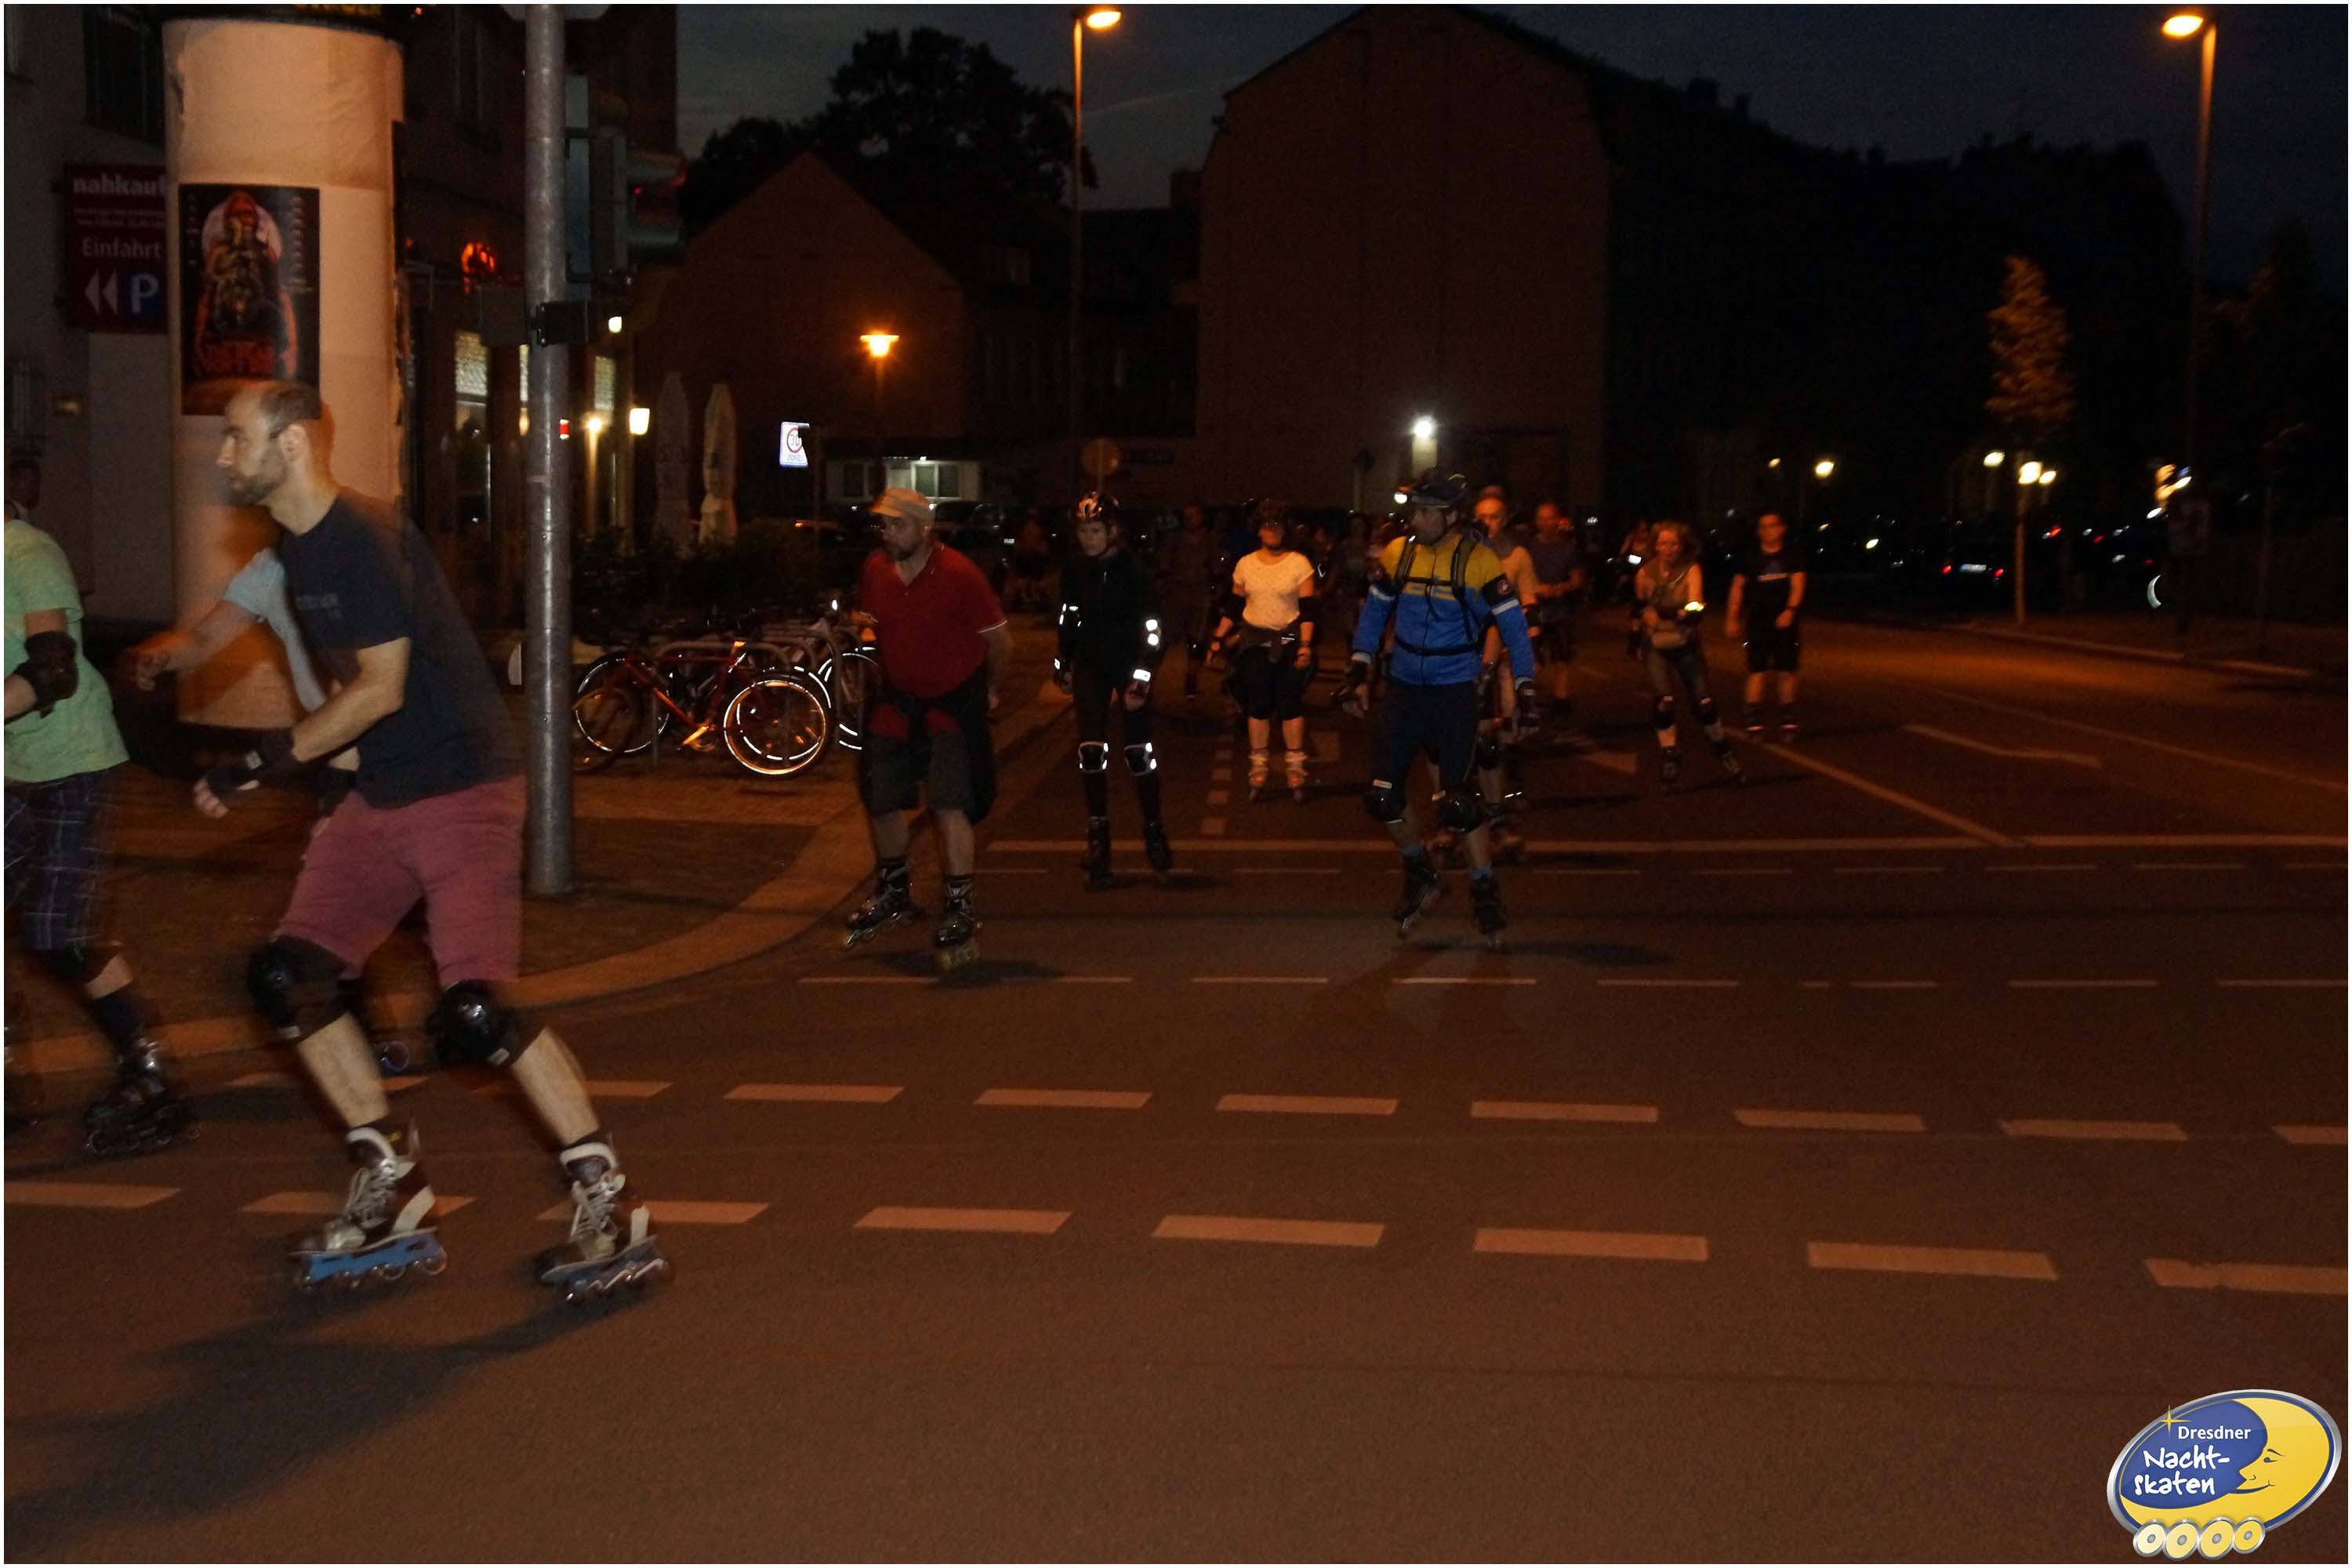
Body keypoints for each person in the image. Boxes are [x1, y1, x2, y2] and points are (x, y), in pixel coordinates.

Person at [201, 381, 665, 1301]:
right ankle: (391, 1180)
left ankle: (607, 1197)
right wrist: (334, 796)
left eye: (235, 436)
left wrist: (264, 761)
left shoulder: (363, 537)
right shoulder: (295, 548)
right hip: (380, 790)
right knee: (287, 975)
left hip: (463, 789)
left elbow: (381, 688)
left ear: (291, 444)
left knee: (475, 1013)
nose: (222, 454)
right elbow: (359, 702)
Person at [132, 550, 416, 1073]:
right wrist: (163, 656)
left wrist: (334, 794)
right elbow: (205, 639)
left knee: (360, 894)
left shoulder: (348, 556)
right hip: (337, 747)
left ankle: (418, 1020)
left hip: (395, 744)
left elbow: (364, 684)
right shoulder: (269, 571)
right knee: (342, 899)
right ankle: (372, 1034)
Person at [5, 480, 194, 1154]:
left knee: (58, 935)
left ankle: (148, 1065)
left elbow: (52, 670)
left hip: (74, 767)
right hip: (11, 769)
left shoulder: (26, 554)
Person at [1335, 471, 1537, 949]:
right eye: (1415, 510)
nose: (1417, 519)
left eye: (1426, 512)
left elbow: (1512, 626)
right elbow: (1375, 612)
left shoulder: (1479, 562)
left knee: (1458, 803)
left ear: (1449, 517)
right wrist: (1359, 666)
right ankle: (1420, 872)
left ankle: (1484, 890)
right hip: (1405, 688)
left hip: (1453, 691)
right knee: (1382, 797)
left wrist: (1525, 687)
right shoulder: (1398, 553)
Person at [842, 487, 1012, 970]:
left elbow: (1000, 642)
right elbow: (874, 625)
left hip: (951, 702)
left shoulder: (959, 573)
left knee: (949, 801)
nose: (889, 533)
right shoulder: (876, 570)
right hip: (899, 698)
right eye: (884, 525)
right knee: (879, 792)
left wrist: (990, 688)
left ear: (924, 527)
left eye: (898, 525)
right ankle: (894, 888)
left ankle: (960, 903)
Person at [1056, 497, 1172, 888]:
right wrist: (1063, 661)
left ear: (1112, 532)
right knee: (1091, 751)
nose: (1089, 539)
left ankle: (1154, 831)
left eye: (1096, 531)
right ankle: (1098, 841)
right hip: (1091, 665)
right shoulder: (1074, 569)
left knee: (1138, 752)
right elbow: (1069, 616)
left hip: (1129, 663)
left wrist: (1142, 677)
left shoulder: (1134, 571)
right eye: (1083, 531)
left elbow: (1154, 630)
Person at [1207, 499, 1318, 802]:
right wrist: (1218, 637)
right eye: (1266, 526)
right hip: (1255, 640)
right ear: (1258, 530)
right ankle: (1258, 764)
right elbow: (1234, 606)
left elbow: (1308, 610)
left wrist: (1306, 645)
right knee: (1257, 703)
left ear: (1285, 529)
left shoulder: (1298, 563)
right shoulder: (1246, 564)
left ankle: (1295, 765)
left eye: (1277, 525)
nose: (1272, 531)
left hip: (1289, 638)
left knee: (1289, 701)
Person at [1627, 519, 1744, 787]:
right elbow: (1638, 606)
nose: (1669, 549)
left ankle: (1721, 750)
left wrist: (1668, 613)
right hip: (1656, 644)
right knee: (1664, 700)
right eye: (1664, 544)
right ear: (1656, 546)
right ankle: (1670, 755)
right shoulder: (1645, 573)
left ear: (1682, 546)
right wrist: (1637, 631)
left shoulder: (1691, 569)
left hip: (1685, 642)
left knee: (1704, 702)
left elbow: (1695, 609)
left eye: (1674, 544)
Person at [1725, 510, 1806, 743]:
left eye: (1772, 526)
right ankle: (1754, 720)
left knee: (1787, 670)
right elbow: (1737, 588)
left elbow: (1798, 584)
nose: (1767, 531)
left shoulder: (1792, 556)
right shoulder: (1750, 558)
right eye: (1763, 527)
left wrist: (1790, 610)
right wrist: (1732, 618)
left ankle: (1788, 720)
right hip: (1758, 621)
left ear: (1782, 529)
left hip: (1785, 622)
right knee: (1756, 670)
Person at [1524, 499, 1587, 717]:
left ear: (1558, 521)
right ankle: (1528, 701)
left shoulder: (1568, 548)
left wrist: (1561, 588)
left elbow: (1577, 579)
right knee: (1532, 658)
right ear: (1536, 521)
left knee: (1561, 658)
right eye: (1542, 519)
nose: (1546, 523)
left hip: (1559, 611)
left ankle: (1562, 701)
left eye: (1550, 518)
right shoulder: (1528, 547)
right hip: (1533, 609)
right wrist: (1536, 588)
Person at [1153, 503, 1219, 703]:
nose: (1190, 519)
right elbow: (1163, 565)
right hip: (1176, 596)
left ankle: (1191, 680)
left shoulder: (1210, 540)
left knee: (1196, 642)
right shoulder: (1174, 539)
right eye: (1186, 515)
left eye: (1193, 515)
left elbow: (1216, 569)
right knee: (1163, 640)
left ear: (1201, 516)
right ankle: (1150, 680)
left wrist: (1214, 592)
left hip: (1200, 596)